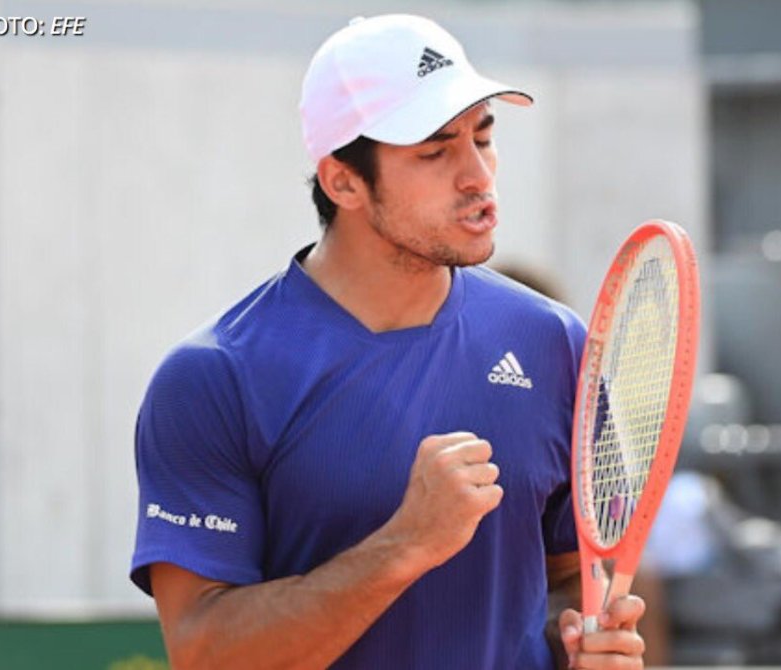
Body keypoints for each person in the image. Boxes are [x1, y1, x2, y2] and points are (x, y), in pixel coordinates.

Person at [130, 15, 646, 669]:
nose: (477, 176)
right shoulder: (215, 376)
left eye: (483, 140)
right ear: (342, 181)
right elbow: (204, 652)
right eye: (434, 152)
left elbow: (571, 579)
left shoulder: (553, 342)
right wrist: (404, 544)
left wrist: (582, 643)